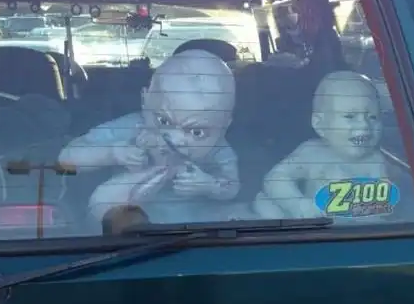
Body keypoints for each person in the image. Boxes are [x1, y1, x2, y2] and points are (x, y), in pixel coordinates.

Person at [58, 49, 241, 222]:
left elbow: (232, 187)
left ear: (224, 127)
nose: (175, 140)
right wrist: (112, 153)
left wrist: (209, 185)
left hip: (201, 232)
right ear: (145, 100)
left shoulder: (218, 149)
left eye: (197, 132)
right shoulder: (131, 128)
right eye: (163, 121)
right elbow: (65, 162)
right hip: (128, 230)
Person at [253, 70, 389, 219]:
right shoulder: (311, 152)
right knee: (264, 202)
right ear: (319, 124)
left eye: (373, 117)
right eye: (350, 116)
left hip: (352, 229)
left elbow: (382, 207)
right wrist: (299, 205)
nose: (364, 125)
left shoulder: (375, 161)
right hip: (313, 226)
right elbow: (275, 178)